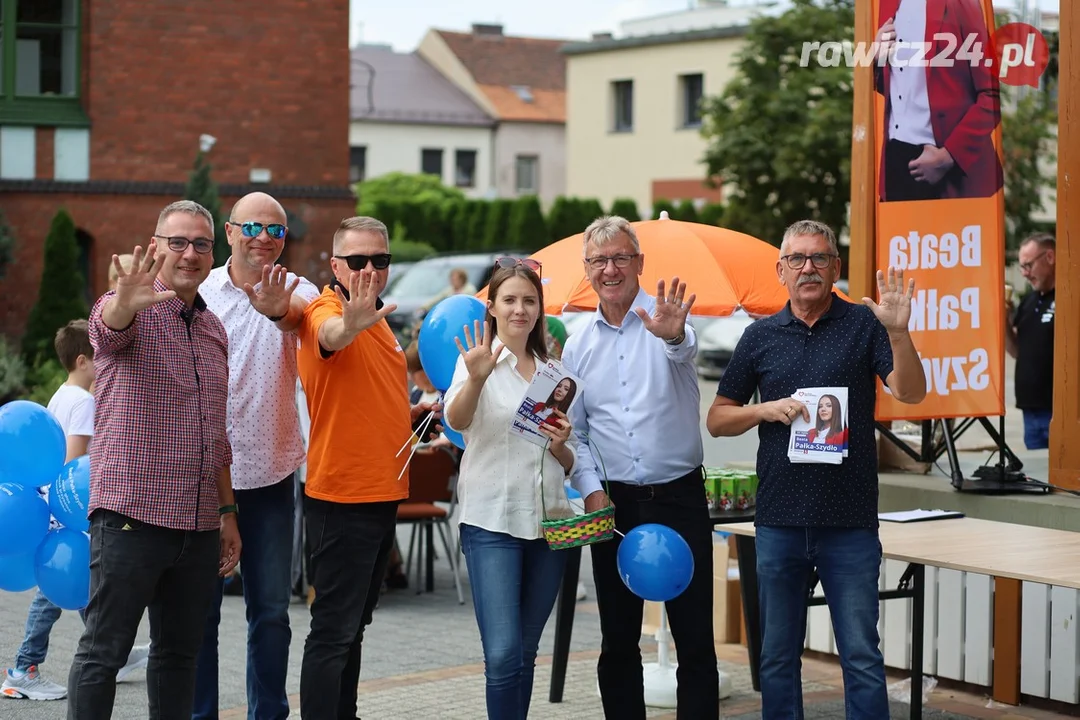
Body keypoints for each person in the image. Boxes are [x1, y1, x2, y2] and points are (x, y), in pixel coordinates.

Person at [706, 219, 927, 719]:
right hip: (780, 519)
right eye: (798, 259)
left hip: (848, 521)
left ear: (836, 268)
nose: (809, 267)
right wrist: (762, 410)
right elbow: (717, 419)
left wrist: (899, 331)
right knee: (777, 658)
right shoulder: (760, 336)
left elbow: (911, 392)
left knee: (862, 658)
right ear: (780, 269)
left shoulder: (865, 326)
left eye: (820, 258)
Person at [66, 200, 242, 719]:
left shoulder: (214, 331)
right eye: (178, 243)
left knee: (179, 657)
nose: (190, 254)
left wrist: (227, 513)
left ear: (214, 251)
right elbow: (109, 326)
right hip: (131, 517)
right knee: (105, 652)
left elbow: (217, 434)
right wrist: (124, 300)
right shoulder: (125, 307)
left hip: (197, 523)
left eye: (202, 244)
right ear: (157, 245)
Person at [562, 215, 720, 719]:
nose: (610, 269)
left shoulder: (667, 318)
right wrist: (590, 490)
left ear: (639, 263)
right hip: (616, 504)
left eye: (620, 258)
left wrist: (674, 338)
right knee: (618, 639)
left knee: (695, 636)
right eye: (599, 260)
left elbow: (684, 349)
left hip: (680, 498)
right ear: (587, 270)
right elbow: (577, 432)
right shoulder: (577, 344)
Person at [296, 216, 439, 719]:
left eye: (380, 260)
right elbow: (331, 337)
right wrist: (350, 322)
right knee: (333, 630)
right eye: (357, 261)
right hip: (342, 496)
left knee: (353, 626)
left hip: (380, 493)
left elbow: (367, 393)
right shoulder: (327, 308)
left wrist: (413, 414)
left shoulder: (381, 318)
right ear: (336, 265)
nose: (369, 270)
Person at [193, 192, 321, 719]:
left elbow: (327, 342)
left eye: (275, 230)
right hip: (201, 479)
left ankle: (267, 714)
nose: (264, 238)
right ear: (229, 232)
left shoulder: (301, 293)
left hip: (269, 475)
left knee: (270, 613)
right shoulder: (198, 294)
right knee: (198, 614)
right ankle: (198, 713)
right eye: (253, 227)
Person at [444, 258, 576, 719]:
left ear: (540, 309)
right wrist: (477, 377)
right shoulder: (478, 362)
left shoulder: (553, 371)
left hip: (550, 524)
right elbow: (457, 422)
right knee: (501, 655)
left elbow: (569, 456)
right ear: (493, 307)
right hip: (491, 521)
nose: (520, 309)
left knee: (524, 652)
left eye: (529, 300)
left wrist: (562, 445)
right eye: (510, 300)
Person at [1, 322, 149, 702]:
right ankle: (23, 668)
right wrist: (78, 506)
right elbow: (75, 460)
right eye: (99, 357)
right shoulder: (84, 401)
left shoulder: (61, 396)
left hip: (51, 504)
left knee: (82, 584)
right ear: (83, 360)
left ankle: (112, 655)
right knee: (55, 590)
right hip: (70, 507)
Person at [875, 0, 1002, 201]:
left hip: (946, 167)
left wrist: (947, 156)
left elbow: (990, 96)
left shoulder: (961, 4)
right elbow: (895, 87)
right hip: (894, 163)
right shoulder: (886, 4)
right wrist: (877, 59)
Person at [1005, 233, 1056, 449]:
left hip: (1059, 411)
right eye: (1022, 267)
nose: (1025, 273)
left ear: (1050, 257)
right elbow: (1016, 350)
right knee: (1038, 475)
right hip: (1030, 410)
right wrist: (1002, 320)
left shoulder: (1069, 295)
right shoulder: (1028, 301)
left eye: (1029, 265)